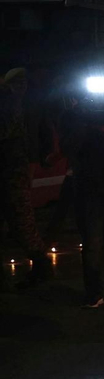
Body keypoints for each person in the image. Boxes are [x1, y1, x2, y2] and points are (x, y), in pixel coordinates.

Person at [61, 84, 104, 308]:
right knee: (93, 242)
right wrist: (82, 118)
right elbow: (69, 147)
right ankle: (94, 291)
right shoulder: (78, 124)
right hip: (89, 191)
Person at [0, 67, 49, 285]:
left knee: (22, 219)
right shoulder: (22, 103)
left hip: (12, 168)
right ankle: (40, 265)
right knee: (21, 219)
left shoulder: (16, 105)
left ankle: (41, 265)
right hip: (14, 167)